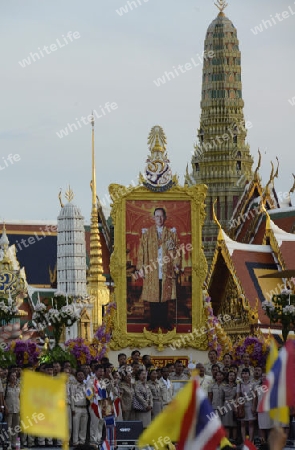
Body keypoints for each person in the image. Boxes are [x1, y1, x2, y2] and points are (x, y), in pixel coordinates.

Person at [137, 207, 180, 331]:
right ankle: (154, 322)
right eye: (157, 216)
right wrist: (141, 268)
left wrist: (176, 264)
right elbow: (142, 252)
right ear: (153, 218)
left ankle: (164, 322)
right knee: (153, 297)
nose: (159, 219)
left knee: (164, 298)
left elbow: (174, 251)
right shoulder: (147, 234)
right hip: (152, 269)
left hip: (166, 270)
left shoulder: (170, 234)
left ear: (165, 218)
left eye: (161, 216)